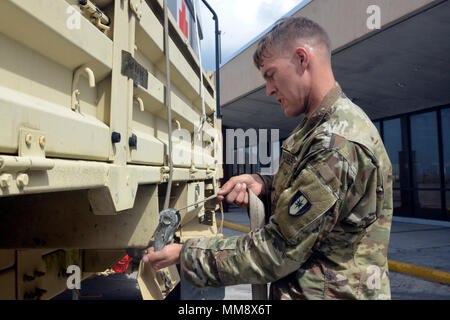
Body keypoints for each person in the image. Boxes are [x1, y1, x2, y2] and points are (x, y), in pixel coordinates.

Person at [143, 16, 393, 300]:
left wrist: (185, 255)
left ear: (301, 59)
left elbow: (276, 251)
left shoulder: (337, 145)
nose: (269, 89)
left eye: (271, 74)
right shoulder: (315, 129)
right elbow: (305, 189)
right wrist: (262, 184)